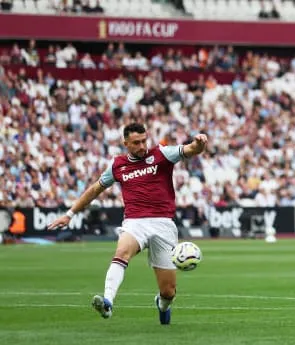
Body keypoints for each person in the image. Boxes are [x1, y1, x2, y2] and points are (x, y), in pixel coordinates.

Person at [48, 123, 208, 325]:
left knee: (168, 291)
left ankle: (162, 304)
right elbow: (95, 189)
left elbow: (191, 150)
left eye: (144, 141)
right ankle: (107, 302)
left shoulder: (162, 154)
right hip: (134, 222)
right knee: (122, 252)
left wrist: (199, 143)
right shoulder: (117, 165)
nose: (142, 146)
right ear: (126, 143)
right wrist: (70, 214)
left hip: (163, 224)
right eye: (136, 143)